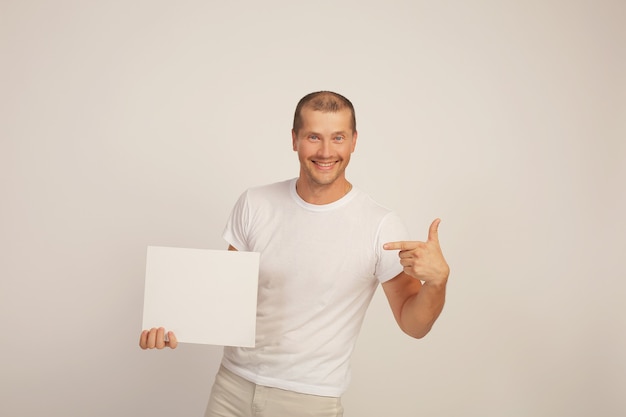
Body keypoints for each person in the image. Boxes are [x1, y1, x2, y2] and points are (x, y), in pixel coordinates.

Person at [140, 91, 450, 417]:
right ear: (295, 140)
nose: (326, 151)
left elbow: (414, 325)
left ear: (354, 141)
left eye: (338, 137)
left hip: (309, 400)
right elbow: (223, 299)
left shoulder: (380, 225)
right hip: (231, 387)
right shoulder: (255, 203)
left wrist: (438, 282)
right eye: (314, 137)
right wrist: (170, 324)